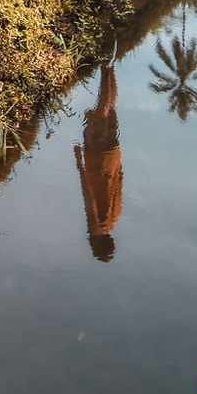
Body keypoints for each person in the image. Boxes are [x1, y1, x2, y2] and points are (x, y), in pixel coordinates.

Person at [73, 65, 122, 262]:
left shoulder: (114, 219)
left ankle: (110, 69)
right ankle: (106, 67)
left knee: (108, 112)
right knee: (102, 114)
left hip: (113, 158)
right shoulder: (97, 226)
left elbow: (119, 181)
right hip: (99, 162)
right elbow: (89, 198)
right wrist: (79, 164)